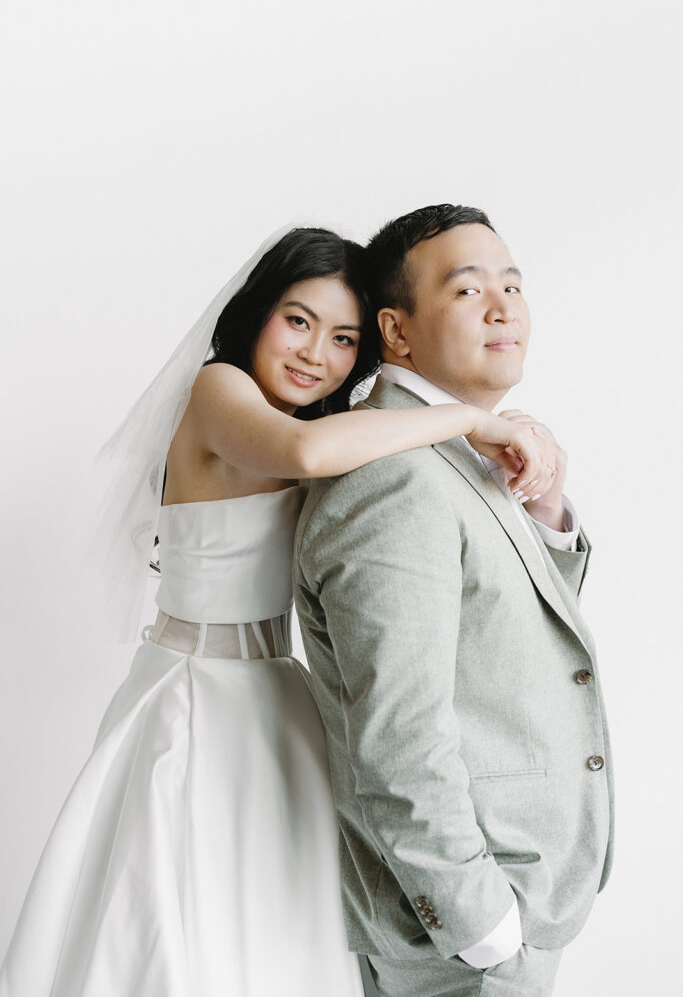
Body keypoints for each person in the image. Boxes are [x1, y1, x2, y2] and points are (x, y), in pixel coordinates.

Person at [0, 224, 558, 997]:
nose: (314, 354)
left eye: (342, 339)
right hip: (193, 690)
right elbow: (301, 456)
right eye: (297, 321)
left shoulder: (336, 431)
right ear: (257, 313)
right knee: (176, 912)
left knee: (283, 914)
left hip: (278, 691)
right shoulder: (219, 390)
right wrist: (471, 420)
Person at [294, 205, 613, 997]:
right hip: (457, 933)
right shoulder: (392, 475)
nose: (505, 307)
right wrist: (478, 927)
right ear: (396, 334)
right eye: (469, 290)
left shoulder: (450, 452)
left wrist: (541, 514)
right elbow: (396, 730)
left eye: (512, 284)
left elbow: (503, 638)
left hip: (509, 906)